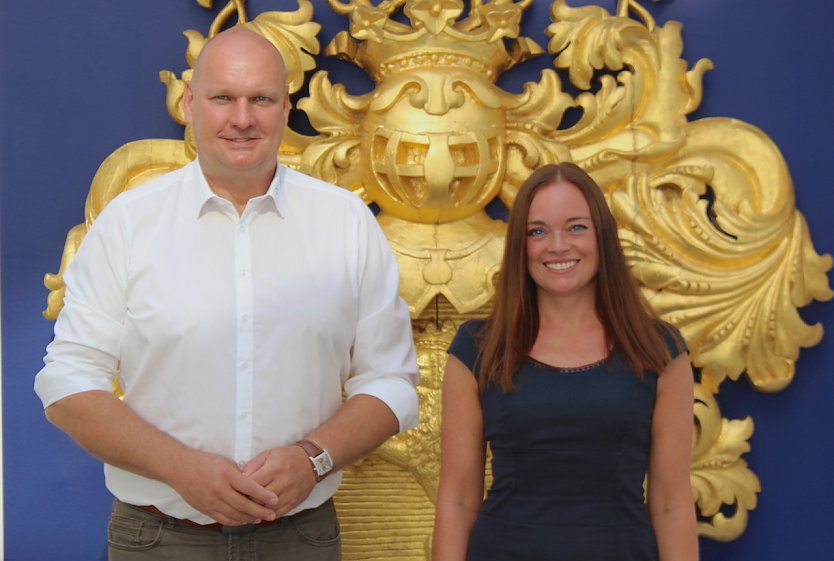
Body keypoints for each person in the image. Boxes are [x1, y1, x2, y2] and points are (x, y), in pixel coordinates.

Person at [35, 27, 419, 561]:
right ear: (190, 104)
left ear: (286, 107)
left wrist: (313, 459)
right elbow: (68, 381)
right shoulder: (129, 222)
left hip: (300, 539)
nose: (243, 119)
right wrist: (180, 469)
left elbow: (393, 382)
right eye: (223, 98)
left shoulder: (345, 222)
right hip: (158, 539)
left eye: (260, 98)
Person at [432, 163, 698, 561]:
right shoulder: (476, 349)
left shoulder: (659, 350)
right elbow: (457, 500)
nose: (557, 245)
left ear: (602, 237)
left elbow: (671, 504)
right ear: (521, 245)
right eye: (537, 231)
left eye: (576, 227)